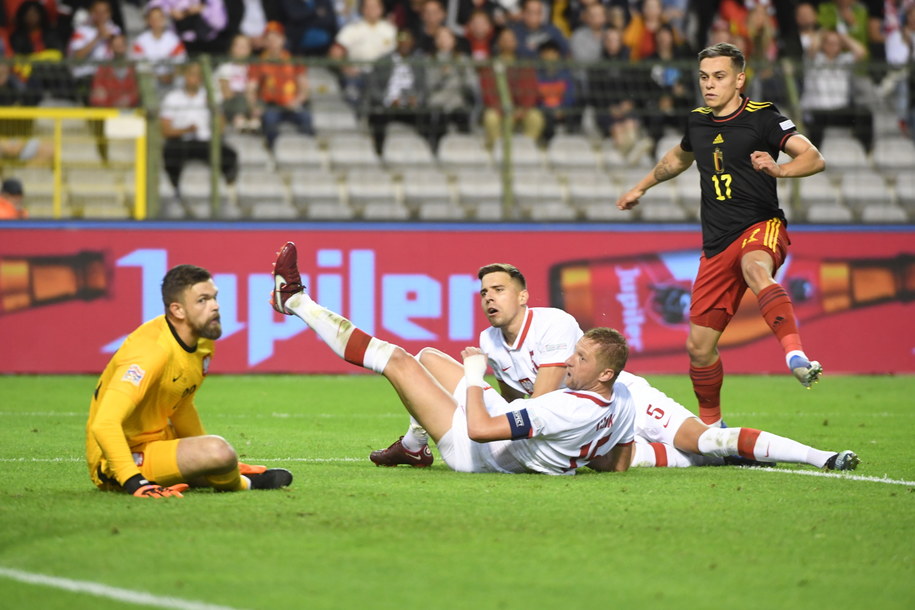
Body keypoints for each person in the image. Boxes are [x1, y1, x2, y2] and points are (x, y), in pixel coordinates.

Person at [371, 262, 859, 472]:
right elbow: (518, 401)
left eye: (496, 290)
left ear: (522, 296)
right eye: (483, 293)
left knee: (708, 443)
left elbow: (537, 406)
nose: (488, 300)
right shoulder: (488, 341)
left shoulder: (555, 326)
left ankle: (821, 456)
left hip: (624, 399)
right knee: (615, 464)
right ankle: (414, 445)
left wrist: (490, 419)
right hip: (580, 416)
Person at [271, 242, 636, 475]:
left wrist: (475, 379)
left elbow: (486, 429)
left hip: (478, 452)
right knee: (429, 356)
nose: (571, 361)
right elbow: (609, 453)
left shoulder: (556, 350)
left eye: (580, 357)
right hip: (518, 429)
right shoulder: (612, 399)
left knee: (396, 359)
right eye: (484, 292)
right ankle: (414, 446)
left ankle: (298, 302)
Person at [616, 42, 826, 428]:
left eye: (719, 77)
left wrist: (779, 171)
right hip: (716, 245)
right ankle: (713, 429)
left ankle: (795, 354)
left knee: (756, 269)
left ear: (739, 79)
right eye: (703, 78)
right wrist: (641, 187)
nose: (709, 85)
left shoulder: (763, 117)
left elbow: (813, 157)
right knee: (698, 349)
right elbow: (675, 160)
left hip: (760, 226)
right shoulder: (697, 120)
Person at [87, 264, 293, 498]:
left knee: (217, 455)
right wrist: (135, 482)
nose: (215, 306)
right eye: (202, 300)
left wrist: (203, 455)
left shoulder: (203, 342)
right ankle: (241, 484)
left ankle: (224, 472)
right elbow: (104, 424)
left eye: (214, 297)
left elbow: (181, 406)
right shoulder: (150, 353)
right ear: (178, 310)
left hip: (157, 441)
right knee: (219, 452)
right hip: (116, 459)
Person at [160, 62, 239, 205]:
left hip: (204, 142)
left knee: (230, 154)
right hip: (181, 141)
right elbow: (165, 130)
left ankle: (229, 190)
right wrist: (186, 130)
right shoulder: (173, 98)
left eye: (199, 75)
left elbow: (221, 127)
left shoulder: (209, 97)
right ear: (185, 76)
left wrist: (214, 109)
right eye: (192, 75)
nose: (196, 79)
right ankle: (175, 190)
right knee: (170, 153)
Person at [800, 28, 874, 154]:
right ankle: (812, 156)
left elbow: (861, 52)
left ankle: (867, 152)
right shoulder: (814, 59)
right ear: (822, 44)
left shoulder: (844, 60)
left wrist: (843, 37)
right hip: (817, 110)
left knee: (865, 114)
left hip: (838, 110)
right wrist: (822, 33)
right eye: (829, 43)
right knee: (817, 121)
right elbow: (812, 48)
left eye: (836, 43)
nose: (832, 46)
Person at [247, 21, 314, 152]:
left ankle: (308, 151)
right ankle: (274, 151)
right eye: (269, 39)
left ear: (283, 40)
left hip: (292, 104)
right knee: (270, 120)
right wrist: (254, 106)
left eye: (276, 38)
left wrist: (297, 101)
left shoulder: (294, 60)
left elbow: (304, 87)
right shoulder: (258, 62)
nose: (273, 42)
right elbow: (251, 88)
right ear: (264, 42)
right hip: (271, 106)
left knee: (307, 118)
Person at [478, 28, 544, 150]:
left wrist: (523, 109)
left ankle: (526, 148)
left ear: (516, 42)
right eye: (505, 39)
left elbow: (532, 89)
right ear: (498, 43)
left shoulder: (525, 65)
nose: (508, 42)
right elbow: (487, 93)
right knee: (490, 117)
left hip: (521, 109)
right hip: (499, 109)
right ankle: (497, 149)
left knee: (535, 117)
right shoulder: (489, 66)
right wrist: (503, 110)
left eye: (511, 39)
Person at [129, 5, 187, 90]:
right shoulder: (140, 41)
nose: (156, 21)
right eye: (153, 18)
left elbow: (181, 63)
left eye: (159, 17)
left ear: (164, 19)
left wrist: (169, 76)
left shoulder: (174, 40)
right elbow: (139, 66)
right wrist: (158, 77)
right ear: (148, 21)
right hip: (151, 85)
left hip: (172, 83)